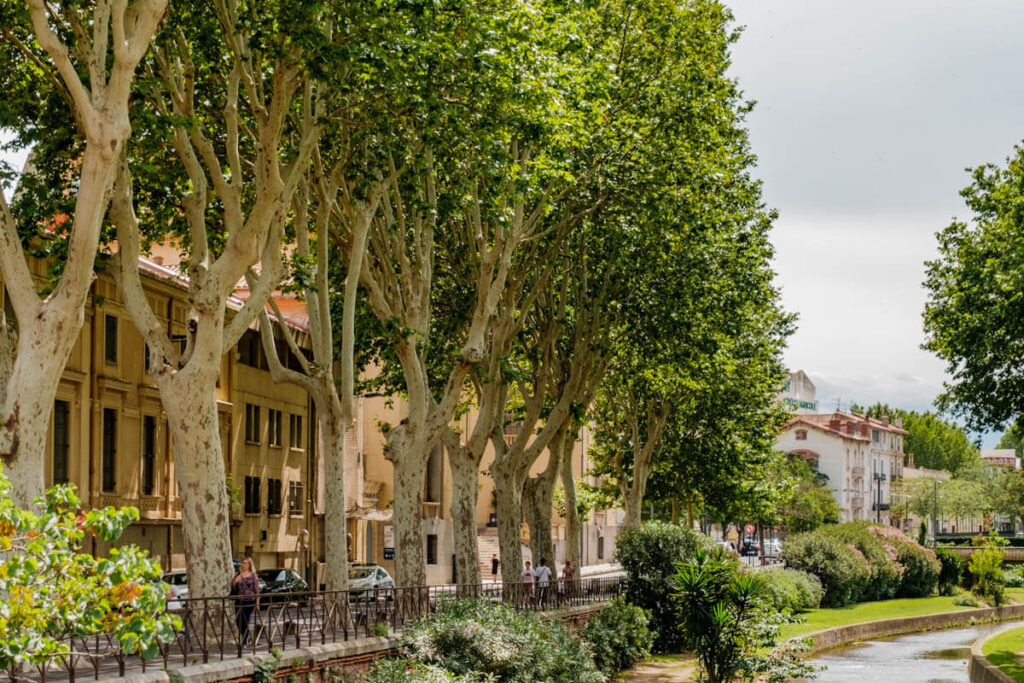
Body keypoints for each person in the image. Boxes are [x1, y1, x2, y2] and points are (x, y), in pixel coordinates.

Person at [230, 556, 261, 648]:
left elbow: (256, 590)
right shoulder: (238, 574)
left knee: (245, 620)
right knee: (238, 621)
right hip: (239, 601)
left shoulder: (253, 576)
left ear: (249, 565)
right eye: (242, 563)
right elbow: (232, 585)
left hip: (249, 601)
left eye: (245, 563)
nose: (243, 565)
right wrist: (235, 581)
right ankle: (245, 636)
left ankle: (244, 641)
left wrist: (257, 603)